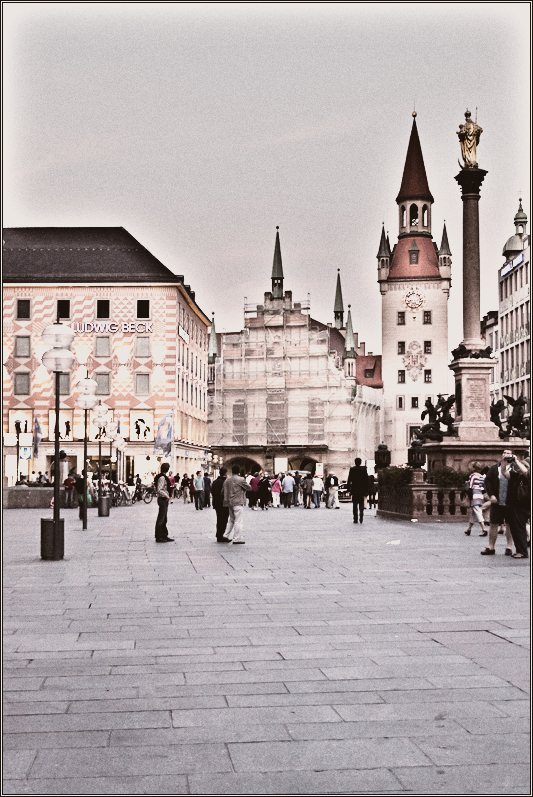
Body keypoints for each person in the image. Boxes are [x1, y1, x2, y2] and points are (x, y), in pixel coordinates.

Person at [480, 449, 516, 556]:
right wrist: (491, 495)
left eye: (508, 453)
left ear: (512, 455)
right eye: (504, 453)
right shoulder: (494, 468)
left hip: (510, 502)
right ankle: (491, 547)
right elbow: (488, 481)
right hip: (497, 501)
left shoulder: (515, 467)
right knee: (493, 524)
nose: (506, 455)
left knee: (510, 524)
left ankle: (509, 547)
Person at [502, 454, 530, 559]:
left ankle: (523, 552)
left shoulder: (527, 478)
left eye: (521, 466)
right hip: (511, 505)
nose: (518, 468)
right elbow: (504, 472)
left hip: (522, 506)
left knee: (520, 528)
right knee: (514, 529)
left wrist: (517, 461)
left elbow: (527, 473)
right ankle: (519, 550)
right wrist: (504, 462)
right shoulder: (514, 476)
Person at [222, 464, 250, 544]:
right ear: (239, 471)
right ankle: (237, 539)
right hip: (238, 502)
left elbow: (222, 491)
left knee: (231, 520)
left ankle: (226, 535)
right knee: (238, 521)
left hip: (229, 502)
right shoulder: (241, 479)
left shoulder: (227, 480)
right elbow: (249, 488)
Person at [464, 462, 487, 537]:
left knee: (478, 512)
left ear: (474, 468)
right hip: (480, 495)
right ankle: (469, 529)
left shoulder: (472, 476)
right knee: (474, 514)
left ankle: (484, 529)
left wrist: (468, 496)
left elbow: (470, 486)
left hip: (474, 495)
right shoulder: (482, 477)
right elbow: (483, 488)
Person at [154, 462, 174, 543]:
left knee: (164, 518)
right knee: (161, 518)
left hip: (163, 499)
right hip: (162, 499)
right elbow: (160, 489)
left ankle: (164, 535)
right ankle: (159, 536)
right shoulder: (162, 477)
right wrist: (167, 496)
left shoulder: (162, 476)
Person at [347, 457, 369, 524]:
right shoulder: (363, 469)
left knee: (355, 504)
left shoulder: (352, 469)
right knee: (361, 503)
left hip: (354, 489)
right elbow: (366, 480)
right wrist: (366, 490)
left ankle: (355, 518)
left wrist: (349, 489)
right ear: (360, 462)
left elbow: (349, 480)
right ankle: (361, 516)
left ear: (355, 462)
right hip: (362, 490)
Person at [211, 467, 230, 542]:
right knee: (224, 520)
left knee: (219, 519)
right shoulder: (226, 482)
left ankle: (219, 535)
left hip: (216, 503)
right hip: (224, 503)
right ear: (225, 473)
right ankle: (221, 535)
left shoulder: (215, 482)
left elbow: (213, 492)